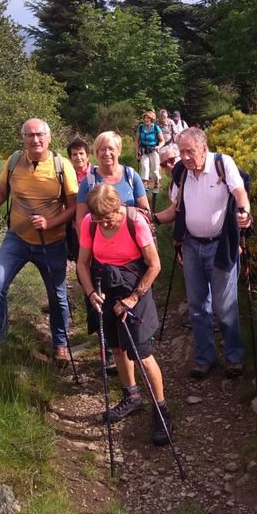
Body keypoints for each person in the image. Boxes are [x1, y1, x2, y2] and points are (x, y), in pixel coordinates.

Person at [76, 184, 173, 446]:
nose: (104, 223)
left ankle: (161, 409)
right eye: (99, 218)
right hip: (105, 287)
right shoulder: (90, 223)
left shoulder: (135, 221)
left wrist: (132, 299)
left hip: (134, 286)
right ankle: (132, 396)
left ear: (119, 207)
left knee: (141, 353)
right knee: (116, 347)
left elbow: (154, 265)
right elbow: (82, 263)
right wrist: (89, 292)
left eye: (109, 217)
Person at [152, 127, 251, 379]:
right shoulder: (181, 173)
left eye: (190, 151)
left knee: (225, 306)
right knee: (197, 306)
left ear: (203, 149)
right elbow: (175, 209)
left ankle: (233, 357)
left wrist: (244, 212)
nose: (184, 157)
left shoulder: (222, 163)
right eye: (181, 151)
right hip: (192, 245)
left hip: (221, 245)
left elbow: (239, 191)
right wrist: (151, 219)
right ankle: (204, 358)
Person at [0, 118, 78, 365]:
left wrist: (50, 223)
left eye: (40, 135)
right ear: (22, 138)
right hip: (17, 239)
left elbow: (74, 207)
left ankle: (60, 344)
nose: (35, 140)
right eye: (29, 135)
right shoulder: (13, 161)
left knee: (57, 296)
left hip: (52, 241)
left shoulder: (61, 166)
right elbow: (2, 192)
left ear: (49, 137)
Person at [77, 131, 150, 374]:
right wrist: (90, 247)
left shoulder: (131, 175)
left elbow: (145, 211)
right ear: (95, 153)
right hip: (102, 259)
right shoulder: (88, 181)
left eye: (111, 149)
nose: (106, 153)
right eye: (101, 149)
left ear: (118, 150)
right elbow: (81, 219)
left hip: (133, 252)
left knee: (132, 316)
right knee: (107, 312)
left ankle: (136, 345)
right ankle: (112, 352)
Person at [134, 110, 164, 190]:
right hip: (144, 150)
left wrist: (159, 146)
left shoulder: (155, 128)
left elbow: (162, 140)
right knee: (144, 166)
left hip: (154, 150)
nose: (146, 120)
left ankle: (156, 183)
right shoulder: (140, 128)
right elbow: (136, 141)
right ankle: (144, 184)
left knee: (155, 168)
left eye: (148, 118)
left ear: (152, 119)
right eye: (145, 118)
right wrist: (137, 152)